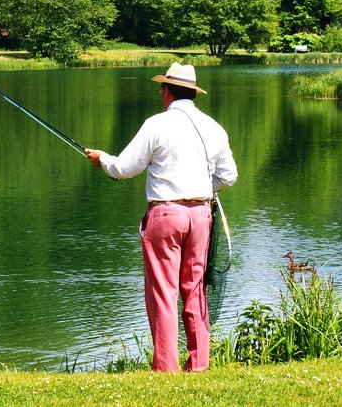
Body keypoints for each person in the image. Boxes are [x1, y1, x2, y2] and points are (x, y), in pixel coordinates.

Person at [85, 62, 237, 372]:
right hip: (200, 216)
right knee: (195, 289)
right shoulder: (213, 127)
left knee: (163, 292)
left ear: (166, 91)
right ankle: (199, 365)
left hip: (165, 215)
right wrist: (201, 187)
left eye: (161, 89)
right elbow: (229, 176)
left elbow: (124, 169)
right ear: (192, 93)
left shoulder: (156, 124)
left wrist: (101, 160)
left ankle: (166, 367)